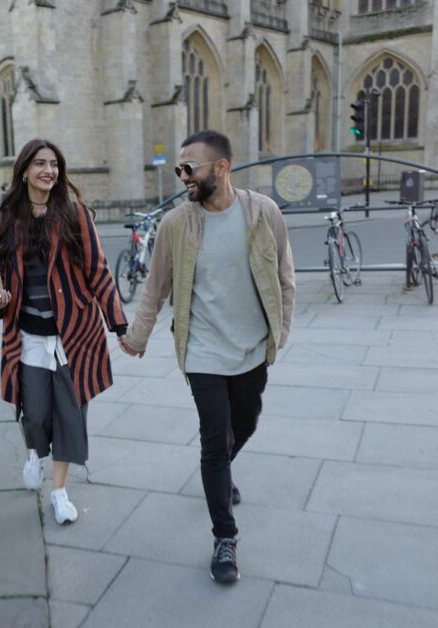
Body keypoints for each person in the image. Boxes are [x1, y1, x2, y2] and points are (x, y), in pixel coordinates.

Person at [119, 130, 295, 583]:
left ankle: (221, 473)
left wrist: (281, 332)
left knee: (246, 424)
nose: (183, 177)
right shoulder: (177, 224)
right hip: (202, 351)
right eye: (179, 169)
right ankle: (225, 538)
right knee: (214, 442)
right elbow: (155, 286)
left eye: (189, 168)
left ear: (221, 168)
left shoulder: (264, 213)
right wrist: (137, 336)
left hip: (252, 347)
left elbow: (284, 278)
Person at [0, 138, 128, 525]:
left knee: (69, 414)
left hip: (73, 333)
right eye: (40, 164)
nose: (48, 170)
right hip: (27, 335)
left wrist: (119, 323)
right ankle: (35, 452)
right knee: (33, 414)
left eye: (54, 164)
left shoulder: (74, 214)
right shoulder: (4, 221)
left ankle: (60, 491)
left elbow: (98, 271)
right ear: (24, 171)